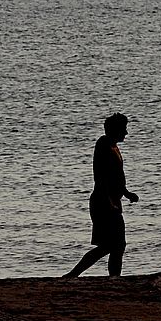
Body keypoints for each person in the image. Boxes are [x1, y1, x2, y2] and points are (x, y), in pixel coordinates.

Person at [64, 113, 139, 277]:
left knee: (116, 245)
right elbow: (102, 177)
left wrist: (126, 193)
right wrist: (109, 201)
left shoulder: (113, 146)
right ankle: (74, 275)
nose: (126, 133)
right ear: (115, 130)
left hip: (112, 201)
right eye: (123, 129)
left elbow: (117, 176)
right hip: (103, 202)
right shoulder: (104, 145)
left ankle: (112, 277)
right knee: (112, 245)